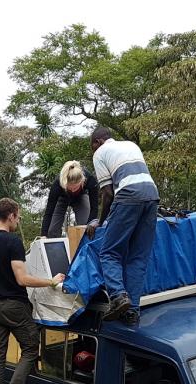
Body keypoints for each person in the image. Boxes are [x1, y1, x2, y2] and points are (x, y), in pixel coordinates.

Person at [0, 198, 64, 384]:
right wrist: (51, 281)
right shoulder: (12, 242)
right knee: (31, 349)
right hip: (14, 306)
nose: (19, 221)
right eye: (19, 216)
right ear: (11, 215)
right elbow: (22, 279)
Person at [87, 126, 160, 325]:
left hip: (128, 195)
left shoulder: (100, 153)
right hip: (152, 196)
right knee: (137, 258)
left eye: (92, 147)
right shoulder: (130, 145)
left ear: (98, 142)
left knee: (109, 253)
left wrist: (101, 223)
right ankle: (132, 312)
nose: (93, 151)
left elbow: (108, 193)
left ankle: (118, 296)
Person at [40, 160, 99, 238]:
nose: (73, 190)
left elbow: (94, 208)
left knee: (86, 227)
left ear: (82, 181)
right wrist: (44, 234)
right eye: (70, 188)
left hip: (81, 197)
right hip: (62, 197)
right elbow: (49, 212)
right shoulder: (57, 184)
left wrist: (91, 224)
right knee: (52, 230)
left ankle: (84, 247)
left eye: (76, 187)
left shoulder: (90, 180)